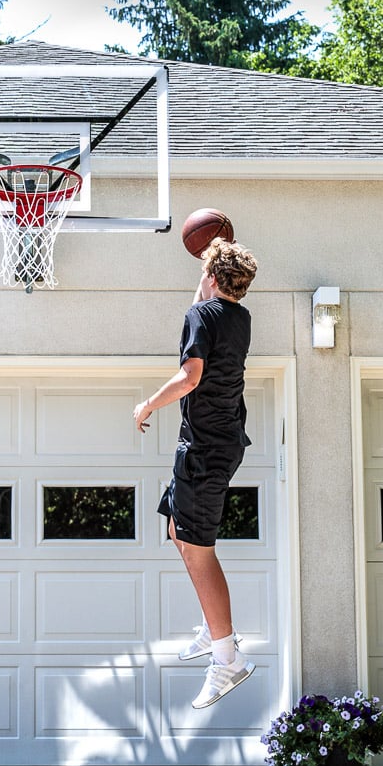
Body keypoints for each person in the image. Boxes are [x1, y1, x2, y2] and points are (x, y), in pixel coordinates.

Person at [133, 238, 259, 710]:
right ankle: (213, 625)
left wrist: (148, 404)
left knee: (198, 549)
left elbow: (190, 377)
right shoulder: (239, 318)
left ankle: (227, 658)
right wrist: (208, 270)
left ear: (210, 276)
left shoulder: (201, 317)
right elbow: (203, 308)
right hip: (215, 444)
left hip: (204, 449)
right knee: (177, 528)